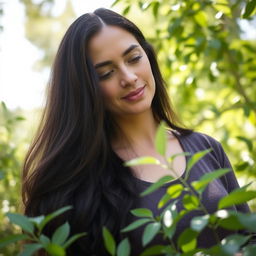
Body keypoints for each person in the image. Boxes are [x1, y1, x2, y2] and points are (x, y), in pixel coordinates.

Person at [22, 8, 250, 255]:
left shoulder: (205, 147)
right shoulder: (77, 186)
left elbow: (249, 237)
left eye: (133, 58)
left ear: (148, 56)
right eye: (106, 73)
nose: (129, 77)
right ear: (86, 89)